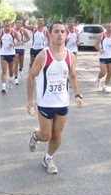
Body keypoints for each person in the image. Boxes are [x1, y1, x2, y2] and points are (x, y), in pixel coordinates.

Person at [26, 21, 83, 174]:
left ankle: (48, 158)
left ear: (66, 35)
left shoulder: (70, 56)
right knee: (46, 135)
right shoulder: (43, 55)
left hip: (62, 102)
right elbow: (31, 77)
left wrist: (78, 94)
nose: (60, 34)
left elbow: (73, 76)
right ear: (49, 34)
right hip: (45, 102)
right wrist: (30, 101)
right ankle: (35, 136)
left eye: (63, 32)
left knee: (57, 135)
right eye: (56, 31)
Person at [0, 19, 23, 94]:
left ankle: (11, 79)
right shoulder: (1, 32)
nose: (7, 28)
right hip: (3, 53)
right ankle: (3, 87)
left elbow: (20, 41)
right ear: (3, 25)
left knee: (11, 70)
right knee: (4, 70)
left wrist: (14, 44)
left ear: (11, 25)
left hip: (11, 53)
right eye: (6, 26)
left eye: (9, 26)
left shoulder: (13, 32)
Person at [94, 22, 111, 94]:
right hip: (103, 57)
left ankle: (105, 86)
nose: (110, 29)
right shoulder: (101, 35)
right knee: (103, 72)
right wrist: (100, 50)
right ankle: (98, 79)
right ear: (105, 28)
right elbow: (95, 44)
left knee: (110, 73)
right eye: (108, 27)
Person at [13, 19, 31, 84]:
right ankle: (16, 78)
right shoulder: (12, 30)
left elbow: (28, 38)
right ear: (15, 24)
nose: (18, 24)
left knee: (21, 64)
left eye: (19, 23)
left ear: (21, 24)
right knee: (16, 64)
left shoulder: (23, 30)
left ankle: (20, 69)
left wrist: (23, 41)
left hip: (21, 48)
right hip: (14, 48)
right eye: (17, 23)